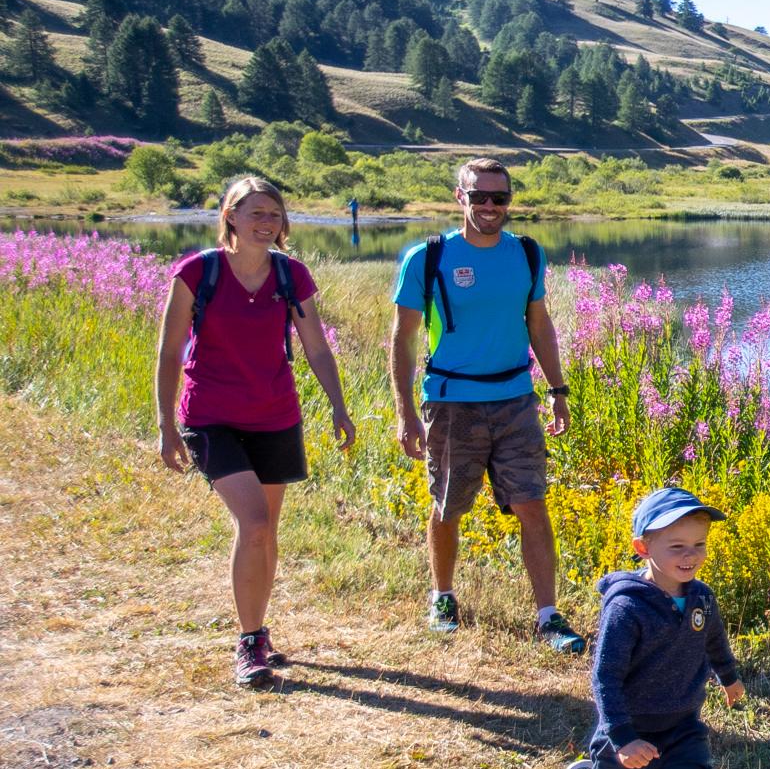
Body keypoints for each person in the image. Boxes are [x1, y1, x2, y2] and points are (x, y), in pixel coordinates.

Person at [153, 176, 358, 688]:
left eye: (274, 215)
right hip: (209, 415)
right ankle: (249, 644)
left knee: (266, 532)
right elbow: (170, 349)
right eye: (255, 213)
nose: (266, 223)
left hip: (275, 415)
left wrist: (338, 407)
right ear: (230, 217)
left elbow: (316, 348)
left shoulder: (291, 276)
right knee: (255, 523)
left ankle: (259, 632)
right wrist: (164, 423)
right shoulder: (197, 272)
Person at [390, 157, 586, 653]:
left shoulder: (526, 253)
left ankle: (548, 616)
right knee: (448, 504)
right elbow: (403, 339)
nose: (490, 206)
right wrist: (405, 411)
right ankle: (443, 597)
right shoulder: (426, 258)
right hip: (453, 403)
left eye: (499, 197)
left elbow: (539, 325)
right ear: (460, 197)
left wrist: (558, 391)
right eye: (479, 196)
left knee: (532, 504)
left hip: (516, 400)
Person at [552, 486, 748, 769]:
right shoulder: (627, 607)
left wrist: (729, 676)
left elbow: (712, 640)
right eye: (676, 546)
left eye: (698, 545)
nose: (690, 556)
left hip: (682, 728)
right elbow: (604, 679)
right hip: (629, 731)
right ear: (644, 548)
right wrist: (622, 738)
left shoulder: (700, 599)